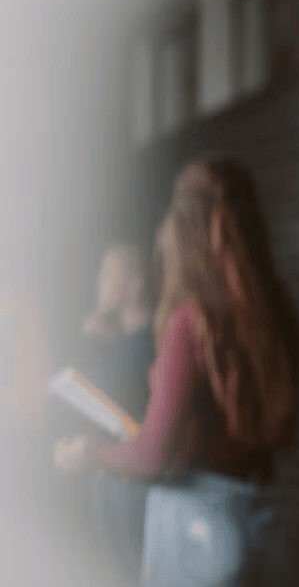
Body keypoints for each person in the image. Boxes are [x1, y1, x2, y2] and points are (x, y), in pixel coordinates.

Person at [54, 156, 299, 587]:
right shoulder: (277, 315)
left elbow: (153, 455)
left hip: (198, 529)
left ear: (180, 233)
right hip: (263, 516)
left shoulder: (190, 324)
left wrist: (89, 451)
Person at [78, 242, 156, 584]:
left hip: (134, 482)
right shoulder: (116, 341)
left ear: (135, 284)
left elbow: (129, 412)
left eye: (109, 273)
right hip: (107, 472)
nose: (99, 282)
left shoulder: (153, 340)